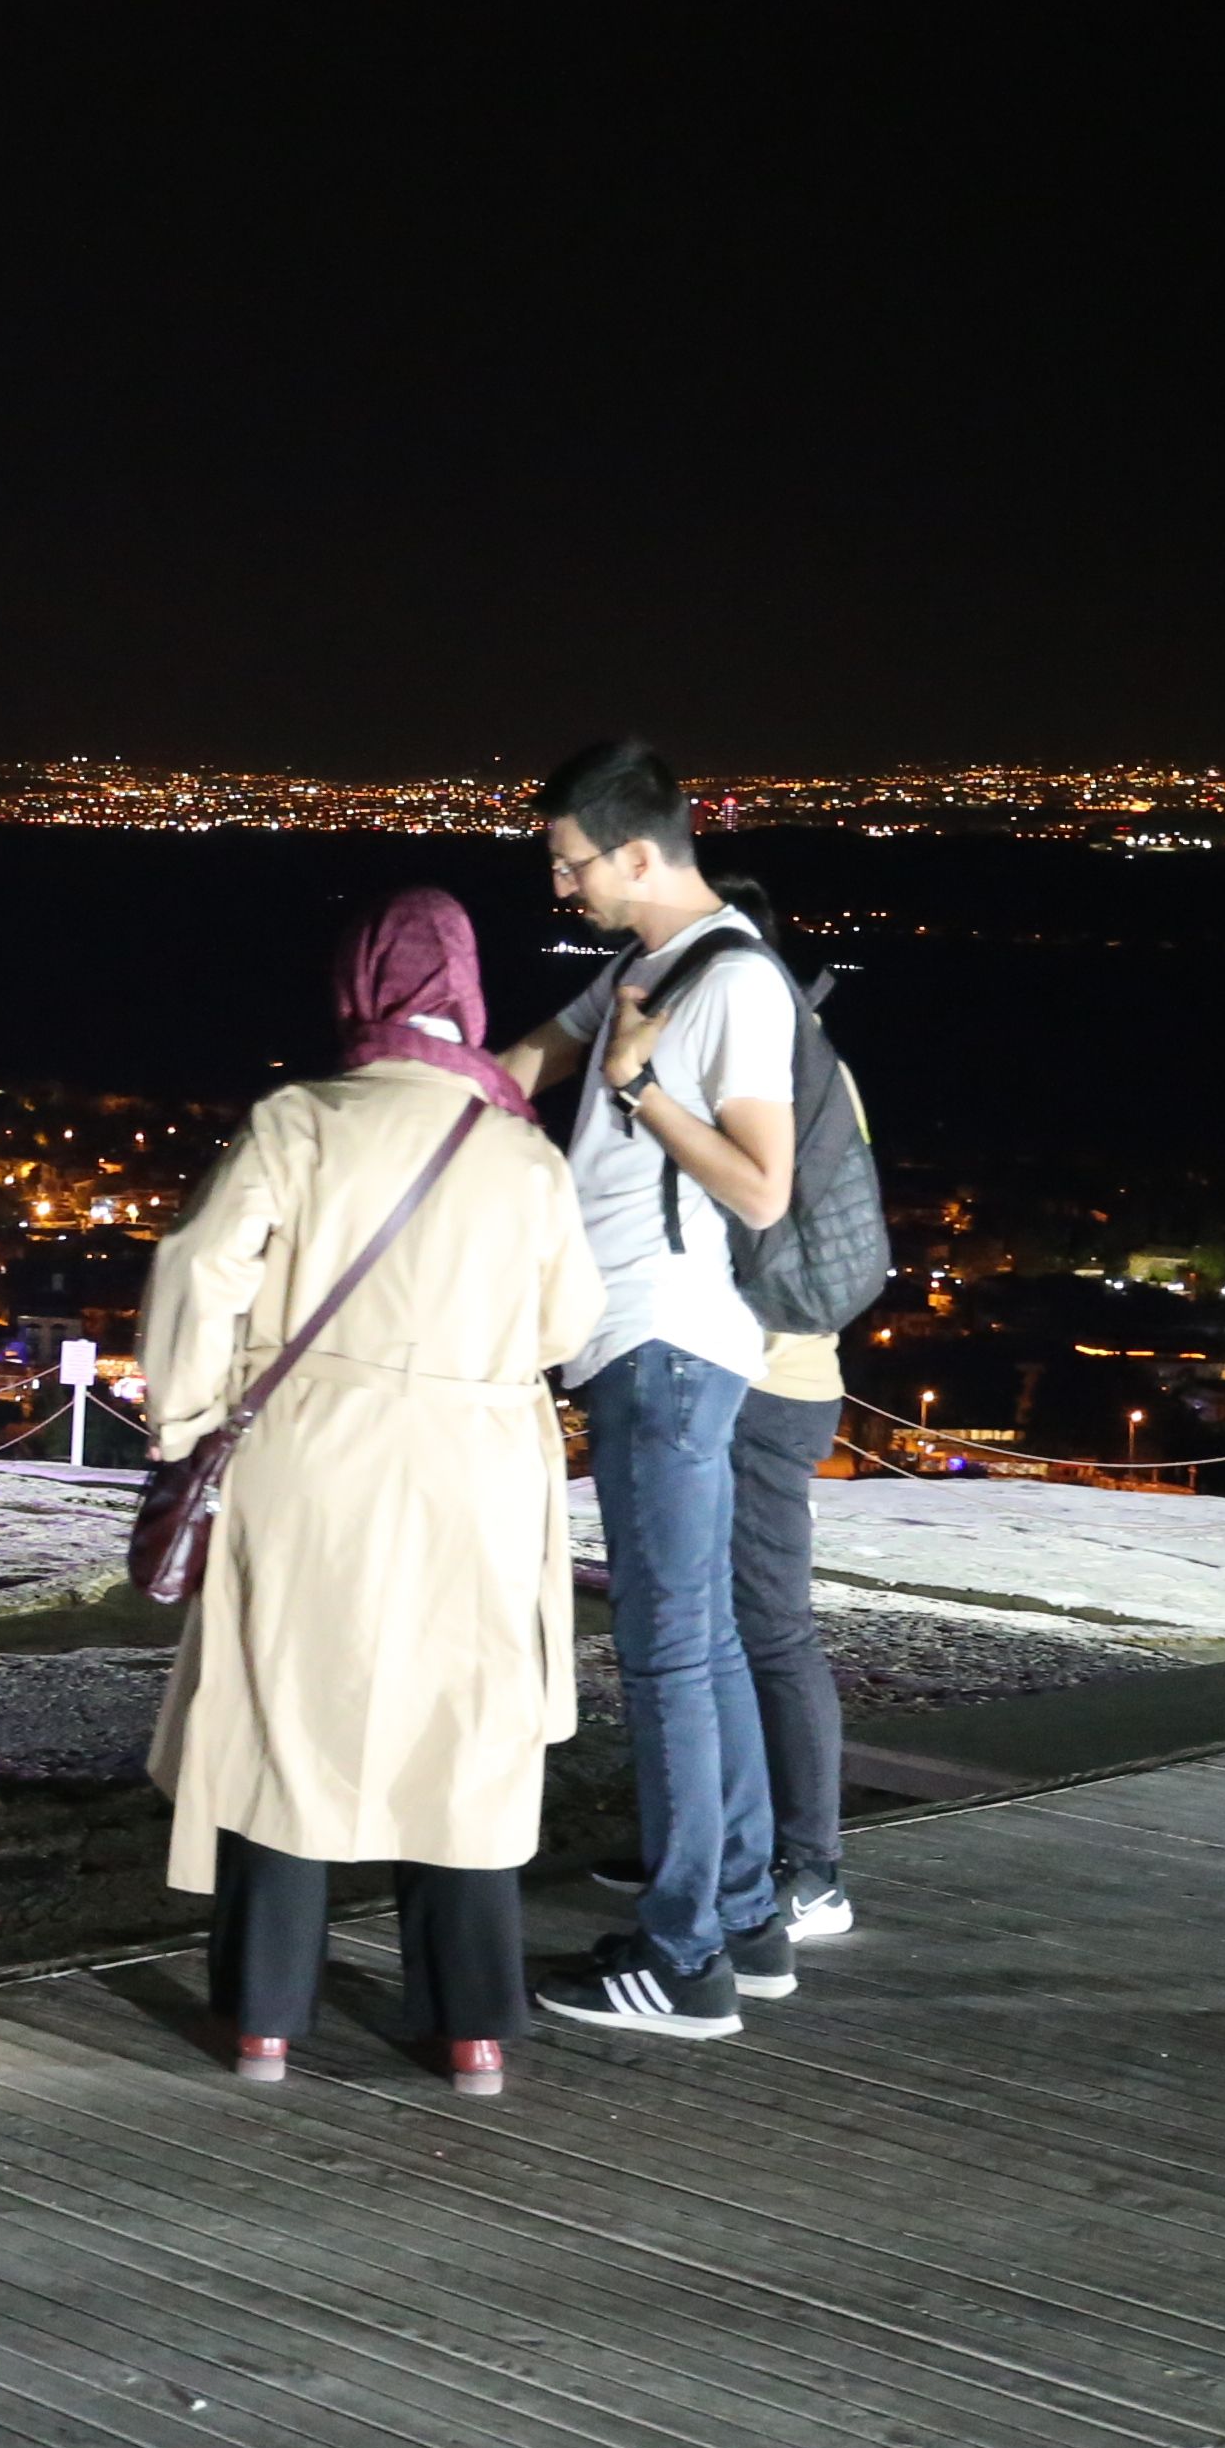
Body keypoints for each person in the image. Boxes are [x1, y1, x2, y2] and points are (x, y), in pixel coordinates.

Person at [141, 887, 601, 2097]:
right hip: (479, 1467)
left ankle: (266, 2020)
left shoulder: (300, 1121)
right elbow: (573, 1319)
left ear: (356, 987)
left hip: (312, 1457)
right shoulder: (518, 1150)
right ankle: (472, 2027)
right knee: (463, 1741)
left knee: (286, 1717)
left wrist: (185, 1421)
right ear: (464, 993)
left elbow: (199, 1271)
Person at [494, 739, 805, 2041]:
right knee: (703, 1645)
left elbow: (760, 1186)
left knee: (672, 1652)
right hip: (642, 1345)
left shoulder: (734, 983)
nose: (563, 888)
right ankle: (742, 1915)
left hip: (669, 1346)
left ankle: (686, 1965)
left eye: (572, 863)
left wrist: (636, 1089)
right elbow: (521, 1067)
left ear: (637, 851)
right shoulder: (643, 967)